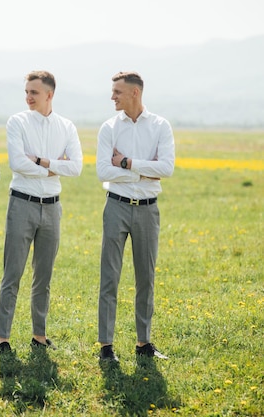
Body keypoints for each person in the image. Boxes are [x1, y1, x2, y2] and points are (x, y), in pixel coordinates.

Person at [0, 71, 83, 354]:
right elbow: (18, 163)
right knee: (13, 273)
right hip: (21, 203)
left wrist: (42, 161)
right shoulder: (17, 121)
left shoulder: (67, 127)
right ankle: (3, 338)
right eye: (26, 91)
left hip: (52, 207)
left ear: (49, 94)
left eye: (34, 92)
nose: (28, 97)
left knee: (43, 275)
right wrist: (56, 166)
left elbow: (77, 168)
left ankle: (39, 335)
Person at [96, 71, 175, 362]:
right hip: (115, 206)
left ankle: (144, 344)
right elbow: (104, 171)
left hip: (148, 209)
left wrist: (127, 163)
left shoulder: (160, 126)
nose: (112, 96)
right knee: (110, 277)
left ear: (135, 93)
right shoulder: (108, 128)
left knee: (146, 277)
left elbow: (166, 168)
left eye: (117, 91)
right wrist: (145, 169)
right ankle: (106, 346)